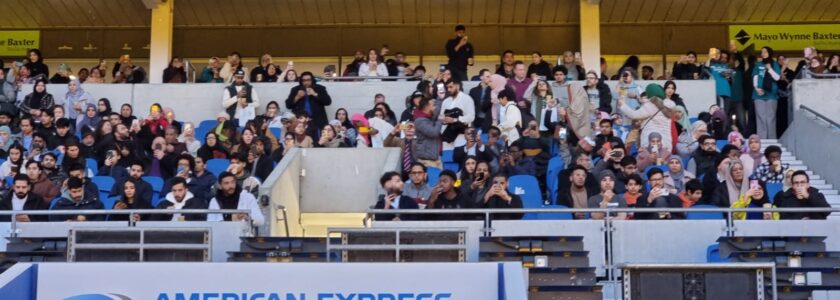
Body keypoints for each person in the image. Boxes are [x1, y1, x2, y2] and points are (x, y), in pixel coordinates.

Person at [619, 84, 675, 149]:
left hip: (651, 141)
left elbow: (633, 115)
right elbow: (646, 101)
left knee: (651, 159)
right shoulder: (669, 104)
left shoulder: (650, 105)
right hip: (666, 142)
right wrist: (636, 97)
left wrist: (622, 104)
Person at [752, 47, 781, 139]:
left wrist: (770, 69)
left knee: (771, 118)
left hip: (771, 94)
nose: (763, 53)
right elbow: (755, 76)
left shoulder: (775, 64)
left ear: (770, 53)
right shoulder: (758, 64)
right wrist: (756, 88)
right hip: (759, 94)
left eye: (765, 52)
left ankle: (772, 139)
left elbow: (777, 78)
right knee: (760, 117)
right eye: (762, 52)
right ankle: (762, 140)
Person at [439, 79, 475, 147]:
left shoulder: (467, 99)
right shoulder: (446, 101)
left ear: (457, 86)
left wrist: (454, 120)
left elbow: (471, 117)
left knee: (459, 156)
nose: (448, 89)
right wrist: (444, 119)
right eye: (447, 87)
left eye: (451, 87)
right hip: (447, 134)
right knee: (447, 156)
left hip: (461, 135)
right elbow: (441, 116)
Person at [413, 97, 443, 169]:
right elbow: (434, 133)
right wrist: (439, 121)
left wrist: (440, 98)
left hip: (434, 159)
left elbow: (438, 110)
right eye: (433, 105)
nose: (435, 108)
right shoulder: (419, 121)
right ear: (427, 107)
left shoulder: (428, 118)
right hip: (426, 161)